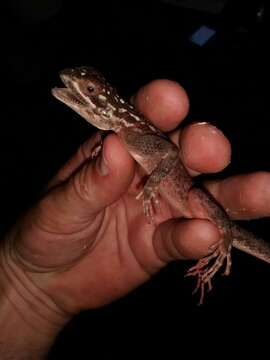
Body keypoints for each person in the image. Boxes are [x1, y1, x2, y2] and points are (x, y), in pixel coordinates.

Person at [0, 78, 269, 359]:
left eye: (90, 90)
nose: (78, 88)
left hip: (186, 198)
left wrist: (153, 187)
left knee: (200, 203)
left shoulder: (130, 133)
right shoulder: (121, 134)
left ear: (109, 104)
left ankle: (225, 239)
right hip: (170, 208)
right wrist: (25, 285)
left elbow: (168, 151)